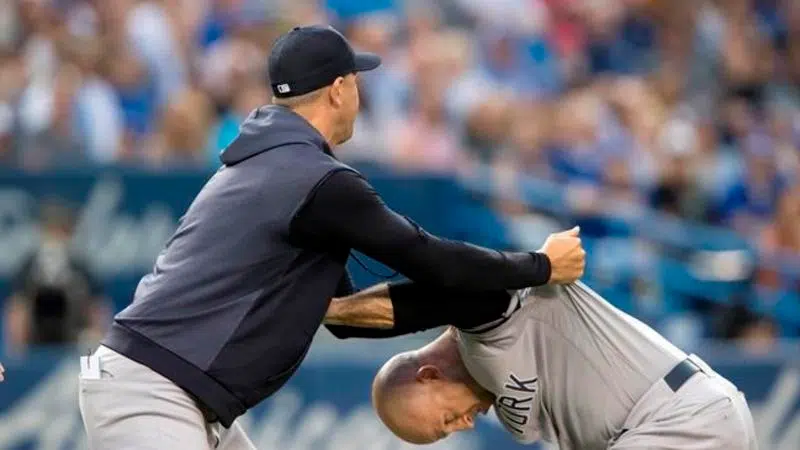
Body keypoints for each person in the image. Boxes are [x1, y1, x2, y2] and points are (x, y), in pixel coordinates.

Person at [78, 25, 586, 450]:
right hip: (152, 390)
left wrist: (475, 303)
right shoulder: (313, 178)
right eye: (357, 82)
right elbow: (430, 259)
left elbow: (344, 314)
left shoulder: (269, 162)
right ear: (339, 89)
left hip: (172, 392)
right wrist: (538, 266)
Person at [323, 282, 759, 450]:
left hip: (681, 419)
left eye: (444, 420)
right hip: (674, 426)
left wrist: (335, 310)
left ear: (429, 374)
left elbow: (447, 286)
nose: (463, 425)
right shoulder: (503, 400)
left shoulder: (487, 323)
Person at [4, 201, 109, 357]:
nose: (56, 238)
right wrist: (17, 352)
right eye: (51, 231)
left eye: (62, 232)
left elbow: (97, 309)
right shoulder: (28, 267)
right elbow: (16, 310)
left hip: (74, 340)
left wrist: (98, 347)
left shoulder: (81, 268)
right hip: (35, 341)